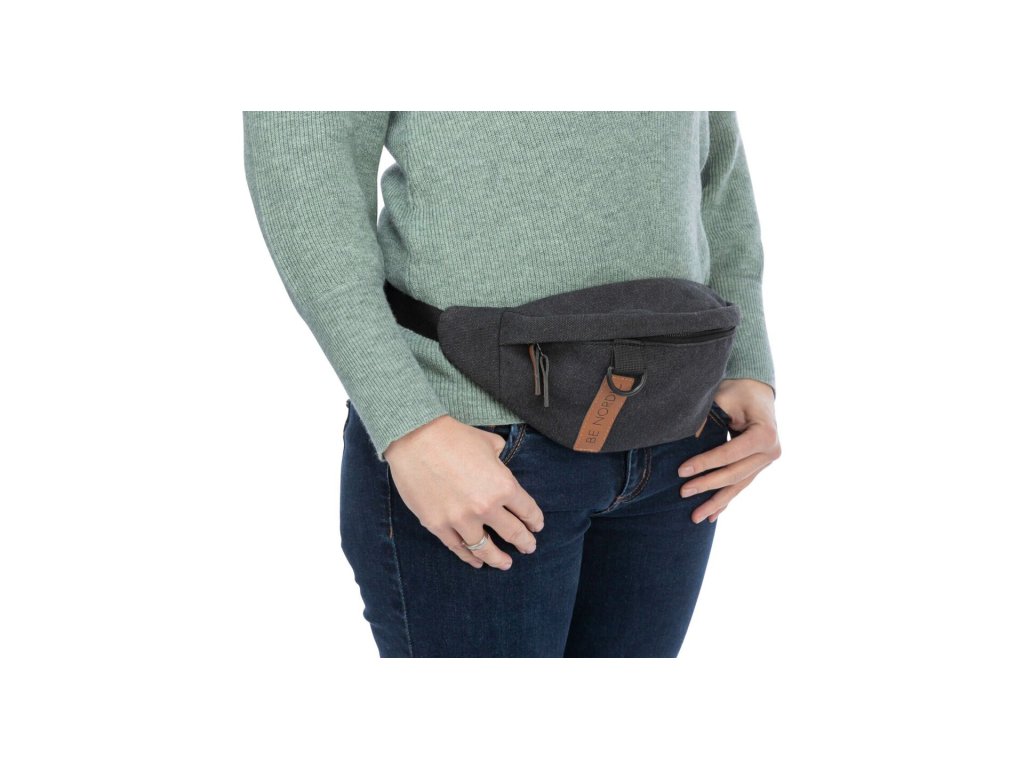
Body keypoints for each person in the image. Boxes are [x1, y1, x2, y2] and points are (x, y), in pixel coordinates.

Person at [242, 111, 781, 657]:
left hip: (679, 435)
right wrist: (409, 425)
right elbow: (304, 177)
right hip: (474, 444)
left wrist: (747, 365)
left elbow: (718, 162)